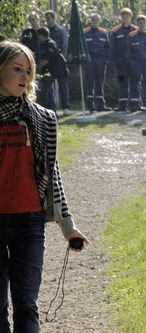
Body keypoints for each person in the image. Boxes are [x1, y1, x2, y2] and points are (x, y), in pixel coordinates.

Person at [0, 40, 89, 333]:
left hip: (29, 222)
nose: (24, 77)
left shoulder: (42, 119)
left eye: (28, 71)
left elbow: (53, 177)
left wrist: (68, 226)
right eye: (16, 69)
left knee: (27, 305)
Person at [108, 8, 137, 111]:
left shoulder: (136, 30)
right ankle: (122, 106)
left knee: (135, 83)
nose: (125, 18)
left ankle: (135, 105)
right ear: (121, 17)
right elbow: (112, 47)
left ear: (131, 17)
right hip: (121, 63)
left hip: (134, 62)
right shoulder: (116, 31)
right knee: (122, 84)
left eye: (127, 16)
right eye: (123, 16)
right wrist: (113, 61)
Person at [127, 15, 146, 112]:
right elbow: (128, 51)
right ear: (137, 24)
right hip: (136, 63)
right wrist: (131, 63)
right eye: (140, 22)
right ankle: (135, 105)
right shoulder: (131, 36)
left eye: (143, 22)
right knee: (135, 84)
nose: (142, 24)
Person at [44, 10, 70, 115]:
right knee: (48, 85)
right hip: (49, 63)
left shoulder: (61, 31)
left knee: (63, 84)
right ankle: (50, 107)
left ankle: (66, 107)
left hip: (59, 62)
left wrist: (62, 59)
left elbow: (65, 46)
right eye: (46, 19)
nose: (47, 21)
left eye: (49, 18)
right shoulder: (45, 31)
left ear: (54, 18)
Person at [83, 14, 111, 112]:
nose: (94, 21)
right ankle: (90, 105)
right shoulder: (85, 32)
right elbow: (83, 48)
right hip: (90, 60)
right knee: (90, 83)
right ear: (90, 20)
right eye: (93, 19)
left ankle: (101, 105)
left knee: (100, 83)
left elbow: (108, 47)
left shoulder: (104, 33)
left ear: (100, 21)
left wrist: (107, 59)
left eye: (96, 20)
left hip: (101, 61)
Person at [35, 27, 60, 111]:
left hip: (51, 71)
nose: (37, 37)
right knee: (50, 93)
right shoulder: (42, 44)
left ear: (42, 35)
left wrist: (36, 68)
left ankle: (47, 109)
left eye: (38, 35)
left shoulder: (50, 44)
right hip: (45, 72)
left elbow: (46, 60)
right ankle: (52, 111)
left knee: (44, 92)